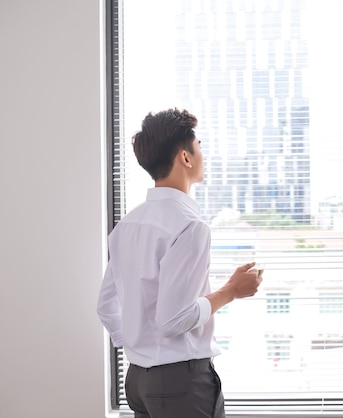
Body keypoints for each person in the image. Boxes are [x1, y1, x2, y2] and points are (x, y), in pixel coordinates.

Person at [97, 107, 263, 418]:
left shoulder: (128, 225)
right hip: (181, 384)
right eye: (199, 146)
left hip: (137, 381)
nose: (202, 154)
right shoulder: (190, 225)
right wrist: (232, 290)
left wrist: (139, 348)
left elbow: (106, 307)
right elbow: (173, 321)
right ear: (185, 157)